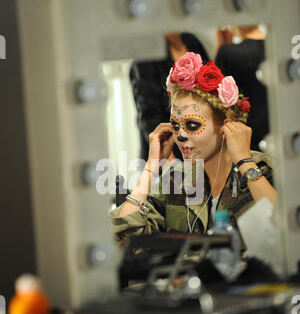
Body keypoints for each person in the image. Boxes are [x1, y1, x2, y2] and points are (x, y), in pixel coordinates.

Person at [111, 52, 276, 249]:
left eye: (192, 125)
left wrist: (243, 161)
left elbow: (287, 230)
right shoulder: (177, 181)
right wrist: (151, 167)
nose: (180, 135)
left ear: (226, 126)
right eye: (175, 125)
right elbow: (120, 239)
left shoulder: (263, 169)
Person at [129, 32, 209, 162]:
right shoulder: (148, 53)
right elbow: (148, 113)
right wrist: (168, 160)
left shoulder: (191, 41)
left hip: (199, 145)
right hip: (169, 150)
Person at [215, 25, 269, 152]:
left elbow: (215, 95)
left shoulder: (228, 52)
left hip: (248, 136)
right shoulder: (277, 47)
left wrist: (220, 44)